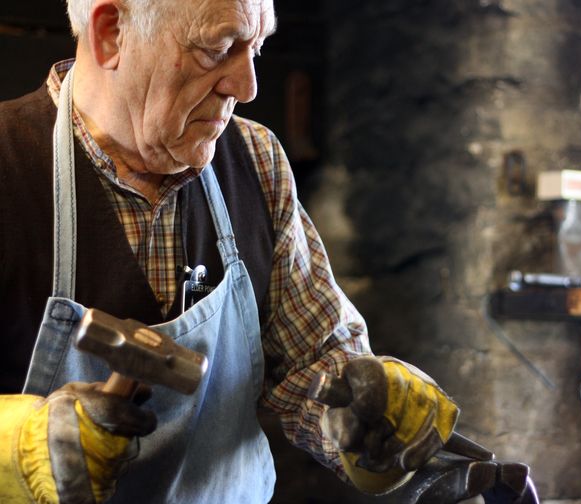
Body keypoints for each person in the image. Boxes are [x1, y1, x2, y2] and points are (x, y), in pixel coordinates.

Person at [0, 0, 459, 502]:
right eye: (217, 49)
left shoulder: (255, 162)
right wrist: (16, 451)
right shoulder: (8, 162)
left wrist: (366, 412)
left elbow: (314, 364)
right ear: (111, 33)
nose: (247, 87)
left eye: (256, 49)